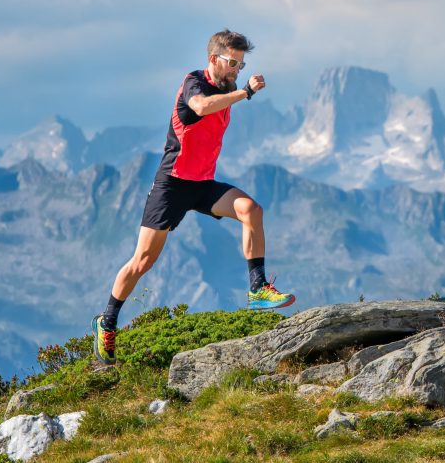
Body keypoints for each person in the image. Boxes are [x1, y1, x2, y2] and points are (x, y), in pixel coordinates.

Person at [92, 29, 295, 365]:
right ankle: (108, 320)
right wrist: (245, 92)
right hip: (171, 185)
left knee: (251, 209)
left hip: (201, 184)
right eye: (232, 63)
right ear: (214, 59)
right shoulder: (194, 83)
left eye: (241, 65)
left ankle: (257, 287)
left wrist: (239, 90)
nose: (237, 70)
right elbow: (200, 108)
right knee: (143, 260)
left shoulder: (228, 88)